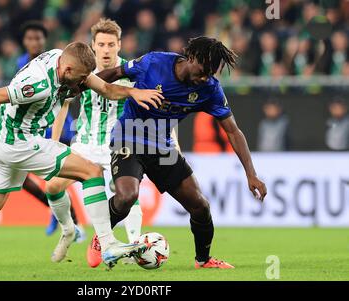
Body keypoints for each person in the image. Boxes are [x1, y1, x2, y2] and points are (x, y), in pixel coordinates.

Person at [0, 42, 164, 273]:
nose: (82, 84)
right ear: (67, 69)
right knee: (91, 172)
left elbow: (106, 88)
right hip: (19, 141)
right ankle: (108, 245)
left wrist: (133, 92)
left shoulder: (65, 60)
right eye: (80, 78)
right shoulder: (38, 84)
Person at [87, 36, 267, 269]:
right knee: (127, 196)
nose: (204, 78)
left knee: (200, 205)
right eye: (202, 71)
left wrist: (251, 173)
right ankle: (101, 238)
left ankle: (203, 260)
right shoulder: (154, 63)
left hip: (162, 148)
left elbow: (233, 131)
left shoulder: (209, 88)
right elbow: (114, 73)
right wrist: (86, 86)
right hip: (129, 137)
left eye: (210, 74)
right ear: (191, 58)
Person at [45, 18, 143, 267]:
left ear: (119, 45)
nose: (106, 49)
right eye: (101, 44)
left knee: (127, 195)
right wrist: (54, 144)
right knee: (53, 188)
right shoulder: (81, 71)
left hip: (118, 144)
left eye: (111, 44)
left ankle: (133, 246)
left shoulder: (131, 72)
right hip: (85, 145)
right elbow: (63, 109)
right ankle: (69, 230)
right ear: (93, 45)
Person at [16, 20, 82, 238]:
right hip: (31, 129)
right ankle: (57, 212)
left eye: (38, 38)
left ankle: (72, 221)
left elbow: (70, 95)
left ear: (44, 40)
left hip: (57, 126)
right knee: (22, 179)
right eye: (30, 38)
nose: (34, 42)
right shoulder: (20, 64)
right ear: (24, 41)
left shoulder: (56, 61)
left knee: (57, 178)